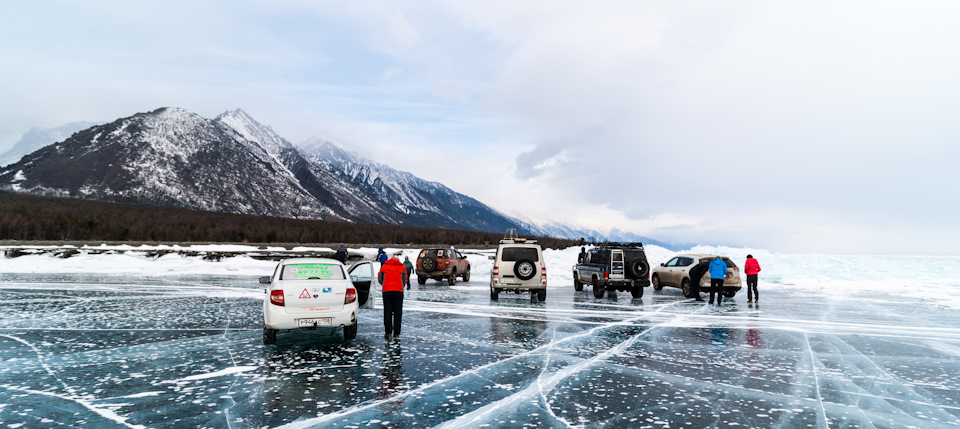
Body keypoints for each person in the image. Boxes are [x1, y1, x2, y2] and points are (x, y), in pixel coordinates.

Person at [378, 257, 408, 340]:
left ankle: (388, 332)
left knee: (387, 312)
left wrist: (385, 284)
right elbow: (405, 279)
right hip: (398, 291)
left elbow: (380, 278)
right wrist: (401, 286)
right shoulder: (402, 267)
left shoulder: (384, 266)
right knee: (398, 313)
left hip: (387, 291)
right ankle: (396, 333)